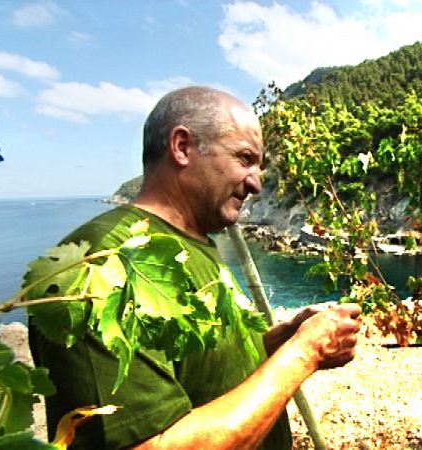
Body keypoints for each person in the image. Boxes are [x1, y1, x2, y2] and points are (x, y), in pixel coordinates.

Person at [28, 86, 362, 449]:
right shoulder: (96, 266)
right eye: (245, 158)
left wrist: (284, 340)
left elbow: (205, 371)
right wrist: (304, 353)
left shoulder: (195, 243)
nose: (255, 182)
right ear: (182, 147)